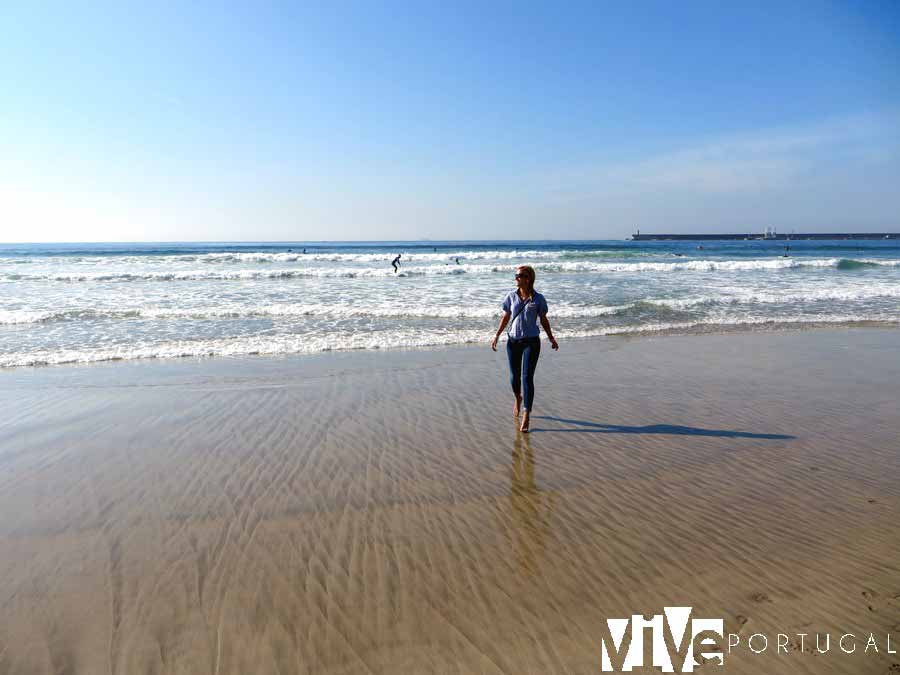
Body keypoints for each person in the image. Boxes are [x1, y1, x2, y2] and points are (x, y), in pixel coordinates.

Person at [491, 265, 558, 432]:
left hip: (532, 343)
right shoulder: (511, 297)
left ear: (528, 278)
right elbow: (506, 317)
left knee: (527, 378)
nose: (516, 278)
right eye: (516, 275)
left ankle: (527, 413)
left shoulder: (538, 299)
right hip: (513, 342)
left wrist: (551, 338)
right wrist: (497, 335)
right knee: (514, 377)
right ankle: (518, 398)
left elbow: (543, 320)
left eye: (519, 276)